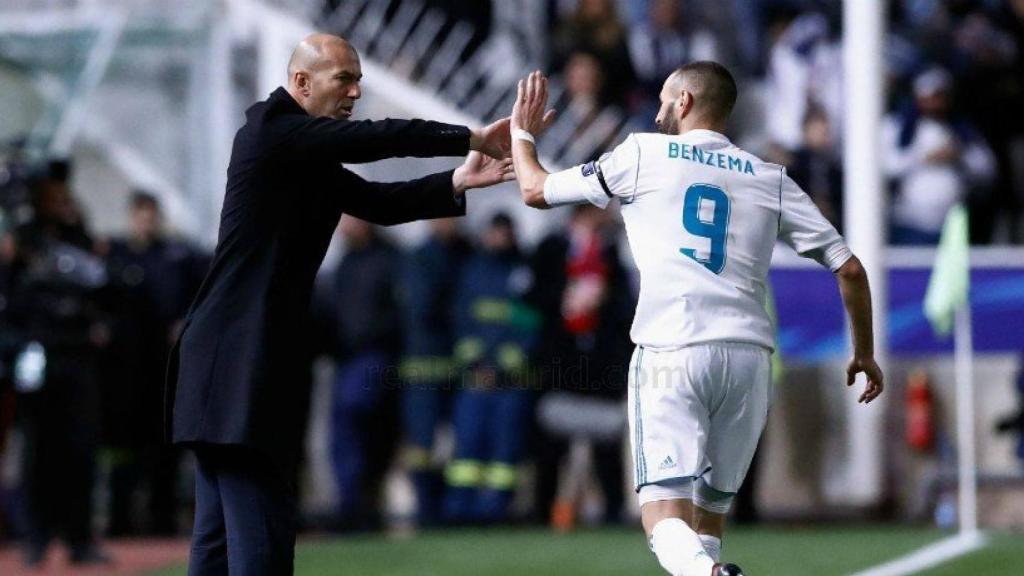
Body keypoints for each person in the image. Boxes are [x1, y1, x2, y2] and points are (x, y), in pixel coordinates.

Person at [510, 64, 884, 576]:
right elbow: (851, 268)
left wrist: (522, 133)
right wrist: (864, 352)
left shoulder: (641, 154)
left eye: (665, 99)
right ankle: (712, 569)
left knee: (664, 518)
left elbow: (534, 190)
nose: (658, 112)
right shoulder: (770, 177)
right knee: (707, 524)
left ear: (684, 101)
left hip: (673, 351)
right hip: (747, 362)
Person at [165, 33, 517, 575]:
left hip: (227, 359)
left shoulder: (300, 152)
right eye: (344, 79)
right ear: (302, 83)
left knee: (216, 542)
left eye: (359, 81)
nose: (356, 92)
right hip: (239, 360)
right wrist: (469, 137)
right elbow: (377, 139)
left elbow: (377, 202)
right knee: (261, 536)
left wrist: (459, 179)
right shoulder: (273, 130)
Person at [7, 168, 111, 566]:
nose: (61, 202)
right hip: (38, 356)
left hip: (77, 356)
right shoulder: (23, 241)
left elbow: (102, 287)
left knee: (80, 451)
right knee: (39, 452)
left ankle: (79, 538)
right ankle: (36, 538)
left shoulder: (78, 238)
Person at [101, 191, 207, 536]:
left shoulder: (176, 256)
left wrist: (185, 324)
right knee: (123, 447)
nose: (147, 223)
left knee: (165, 445)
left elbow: (200, 290)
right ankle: (120, 519)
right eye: (141, 216)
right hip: (125, 370)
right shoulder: (115, 255)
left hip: (165, 368)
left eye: (151, 216)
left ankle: (162, 518)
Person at [529, 204, 633, 527]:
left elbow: (625, 309)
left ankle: (613, 511)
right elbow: (533, 299)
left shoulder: (610, 253)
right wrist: (565, 298)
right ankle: (543, 511)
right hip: (561, 362)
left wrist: (602, 299)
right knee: (551, 446)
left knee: (607, 445)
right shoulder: (550, 249)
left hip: (601, 364)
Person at [443, 213, 539, 524]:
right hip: (475, 377)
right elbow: (461, 320)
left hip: (511, 380)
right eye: (495, 232)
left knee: (505, 450)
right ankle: (459, 512)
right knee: (467, 445)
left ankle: (496, 511)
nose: (500, 239)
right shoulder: (471, 270)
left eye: (505, 233)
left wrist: (504, 363)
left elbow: (531, 322)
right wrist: (476, 362)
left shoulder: (524, 272)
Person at [325, 216, 402, 532]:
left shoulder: (388, 259)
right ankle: (353, 506)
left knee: (358, 422)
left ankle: (360, 505)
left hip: (375, 355)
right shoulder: (346, 261)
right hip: (347, 358)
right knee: (347, 432)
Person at [397, 217, 471, 526]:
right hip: (424, 367)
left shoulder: (465, 253)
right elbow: (423, 307)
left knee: (459, 443)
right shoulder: (420, 258)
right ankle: (426, 509)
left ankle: (450, 509)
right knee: (422, 444)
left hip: (457, 366)